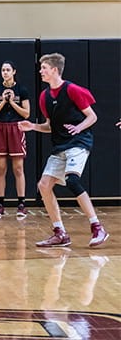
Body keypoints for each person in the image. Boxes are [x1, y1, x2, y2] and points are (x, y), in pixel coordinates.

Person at [18, 53, 109, 247]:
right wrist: (33, 126)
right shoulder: (44, 97)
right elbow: (49, 126)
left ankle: (97, 227)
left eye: (44, 68)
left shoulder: (73, 90)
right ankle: (60, 233)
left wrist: (78, 128)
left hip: (79, 142)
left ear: (54, 70)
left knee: (72, 180)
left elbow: (92, 117)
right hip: (60, 145)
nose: (40, 71)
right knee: (43, 185)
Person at [0, 60, 31, 220]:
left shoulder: (22, 90)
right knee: (0, 168)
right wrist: (3, 102)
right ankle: (0, 204)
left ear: (14, 72)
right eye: (3, 70)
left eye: (7, 70)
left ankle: (21, 204)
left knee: (18, 168)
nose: (5, 72)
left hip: (16, 128)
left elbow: (26, 114)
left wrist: (12, 102)